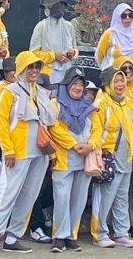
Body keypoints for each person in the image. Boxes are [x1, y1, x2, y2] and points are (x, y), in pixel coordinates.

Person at [0, 52, 55, 256]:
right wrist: (9, 150)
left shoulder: (41, 92)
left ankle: (13, 237)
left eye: (37, 67)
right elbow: (2, 124)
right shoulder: (10, 91)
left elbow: (49, 121)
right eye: (30, 67)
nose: (34, 71)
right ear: (21, 68)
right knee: (7, 195)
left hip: (39, 153)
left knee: (29, 195)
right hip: (17, 152)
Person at [89, 66, 133, 248]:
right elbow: (96, 129)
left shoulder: (128, 103)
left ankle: (121, 233)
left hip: (126, 158)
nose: (120, 84)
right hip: (109, 157)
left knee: (121, 197)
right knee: (104, 196)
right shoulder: (101, 103)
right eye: (116, 81)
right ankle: (100, 233)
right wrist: (100, 152)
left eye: (122, 80)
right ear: (108, 83)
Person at [49, 69, 95, 251]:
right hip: (64, 159)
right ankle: (58, 236)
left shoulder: (89, 105)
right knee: (62, 197)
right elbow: (54, 128)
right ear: (66, 84)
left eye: (81, 84)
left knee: (79, 198)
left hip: (85, 159)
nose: (77, 87)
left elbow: (98, 128)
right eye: (74, 83)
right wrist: (75, 145)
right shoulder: (55, 104)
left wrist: (90, 145)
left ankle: (71, 235)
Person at [29, 0, 77, 85]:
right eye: (56, 5)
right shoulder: (41, 26)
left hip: (67, 74)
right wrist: (54, 56)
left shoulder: (69, 26)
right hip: (47, 74)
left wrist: (72, 53)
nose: (60, 8)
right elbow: (33, 54)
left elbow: (75, 50)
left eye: (62, 5)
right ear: (49, 8)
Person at [96, 2, 133, 72]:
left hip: (130, 75)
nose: (128, 18)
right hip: (112, 74)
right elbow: (99, 55)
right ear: (118, 17)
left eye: (130, 15)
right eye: (124, 15)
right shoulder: (110, 33)